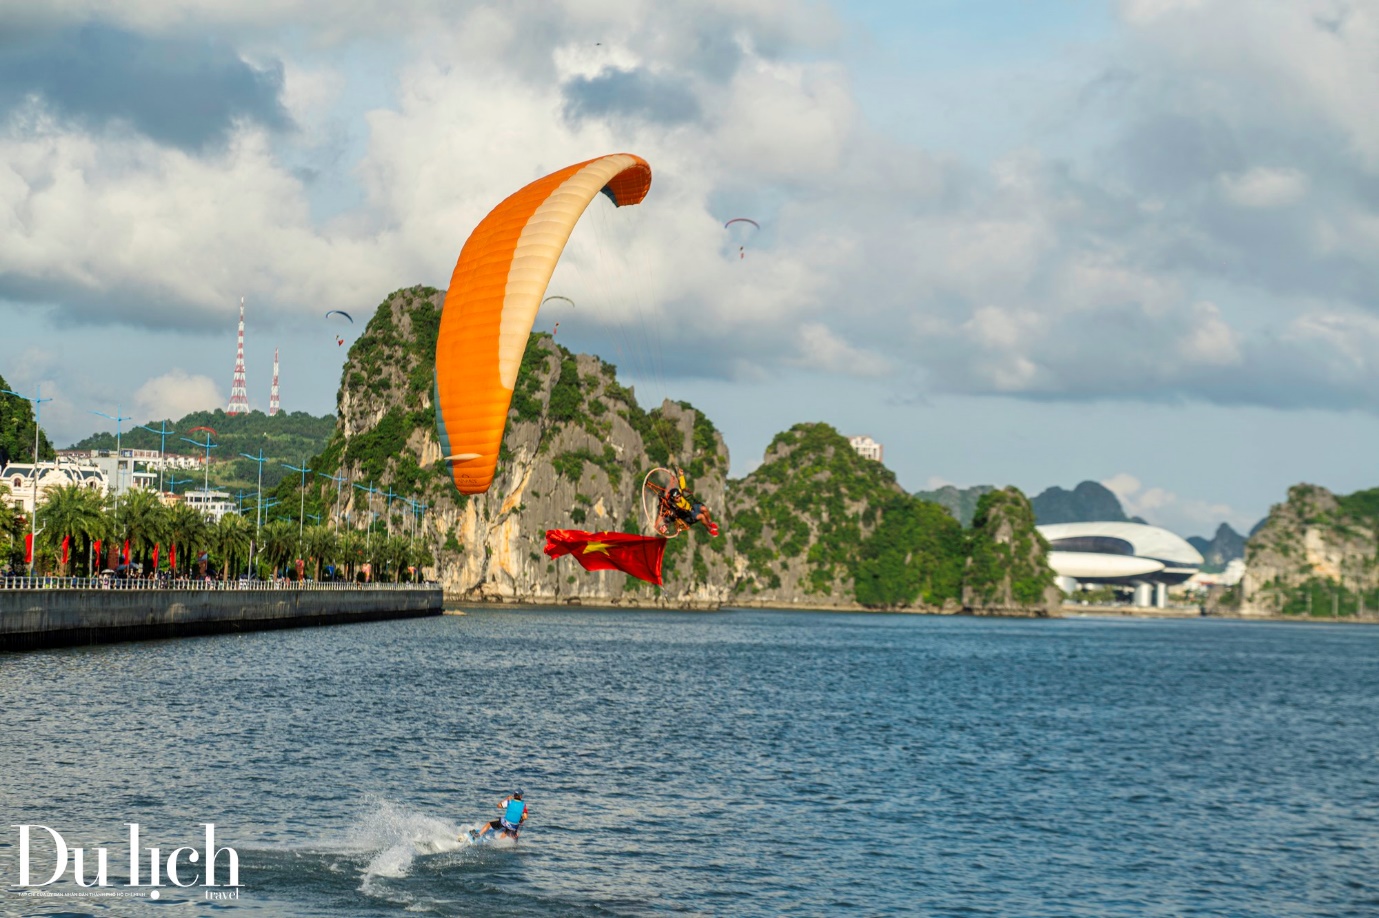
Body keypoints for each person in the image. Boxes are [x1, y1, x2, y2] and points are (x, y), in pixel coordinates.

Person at [665, 468, 718, 536]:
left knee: (704, 508)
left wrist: (681, 475)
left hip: (691, 507)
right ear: (673, 498)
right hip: (688, 515)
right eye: (677, 497)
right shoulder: (675, 505)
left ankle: (710, 523)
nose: (679, 497)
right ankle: (709, 529)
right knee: (702, 516)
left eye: (679, 496)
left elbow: (682, 486)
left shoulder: (680, 495)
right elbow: (670, 511)